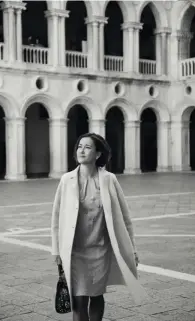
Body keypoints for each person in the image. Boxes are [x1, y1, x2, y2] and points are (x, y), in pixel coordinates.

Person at [51, 133, 147, 321]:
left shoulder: (109, 179)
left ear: (97, 154)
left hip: (100, 250)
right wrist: (56, 250)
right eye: (79, 146)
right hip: (74, 251)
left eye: (87, 147)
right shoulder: (66, 180)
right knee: (78, 301)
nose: (81, 150)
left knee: (96, 295)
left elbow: (125, 217)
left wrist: (132, 249)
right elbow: (56, 218)